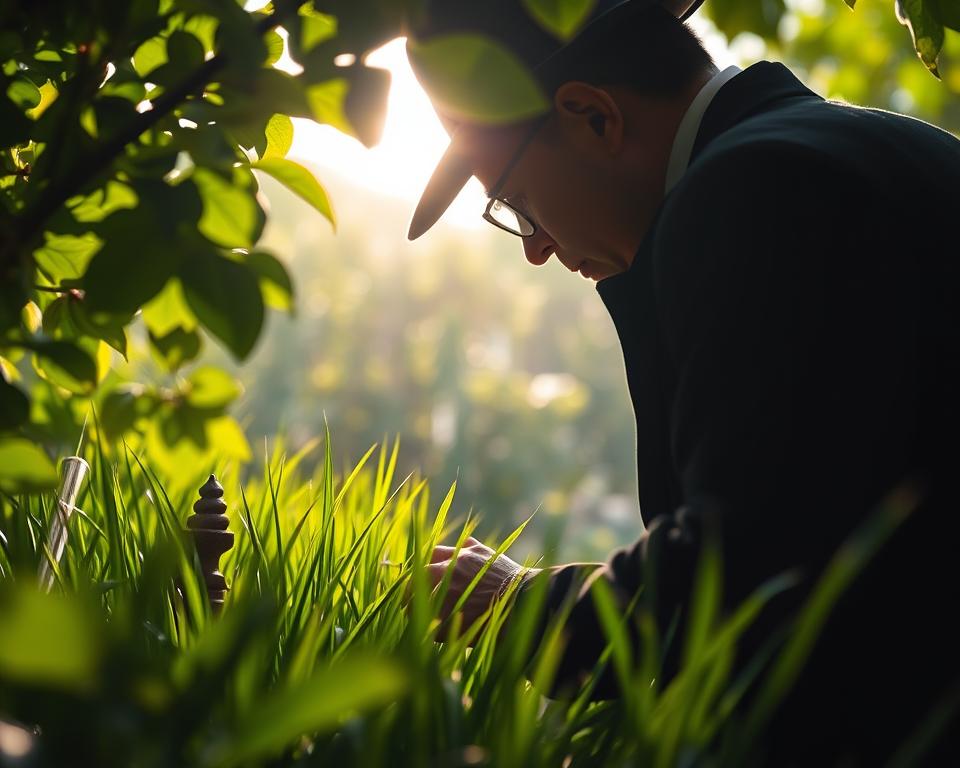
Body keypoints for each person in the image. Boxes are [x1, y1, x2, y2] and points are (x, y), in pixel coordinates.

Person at [406, 0, 960, 762]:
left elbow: (744, 565)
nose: (535, 249)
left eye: (516, 203)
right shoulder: (879, 148)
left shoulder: (750, 191)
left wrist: (525, 606)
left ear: (593, 117)